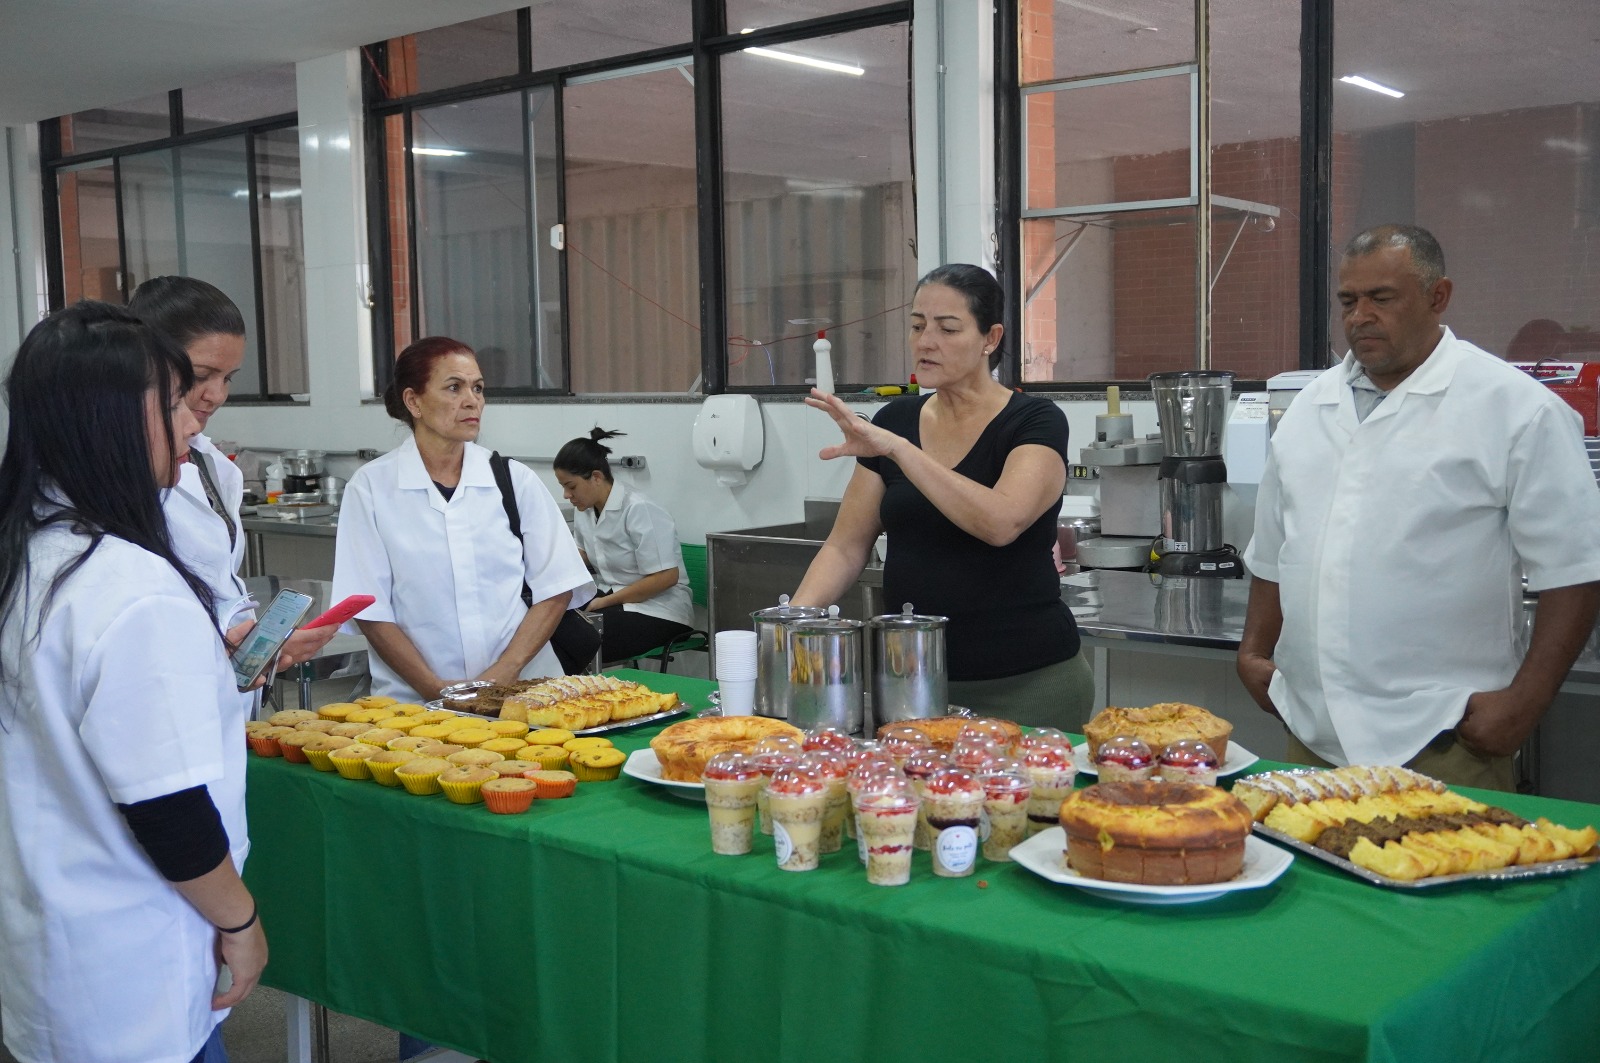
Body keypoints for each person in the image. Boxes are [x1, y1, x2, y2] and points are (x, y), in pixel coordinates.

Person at [1238, 224, 1600, 790]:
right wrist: (1254, 651)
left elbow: (1577, 572)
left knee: (1441, 874)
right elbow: (1274, 551)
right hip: (1311, 735)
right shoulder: (1309, 410)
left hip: (1443, 741)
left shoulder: (1516, 411)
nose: (1360, 316)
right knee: (1315, 880)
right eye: (1348, 301)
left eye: (1381, 298)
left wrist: (1524, 705)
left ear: (1438, 297)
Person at [0, 303, 266, 1063]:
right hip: (130, 964)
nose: (194, 422)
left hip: (52, 946)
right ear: (109, 419)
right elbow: (168, 808)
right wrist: (241, 921)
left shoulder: (30, 554)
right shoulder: (129, 587)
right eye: (179, 401)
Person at [791, 264, 1093, 729]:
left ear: (990, 338)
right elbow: (845, 546)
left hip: (1025, 683)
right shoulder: (897, 419)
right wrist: (789, 623)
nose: (925, 341)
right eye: (917, 326)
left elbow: (1000, 522)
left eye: (947, 328)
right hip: (912, 685)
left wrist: (899, 450)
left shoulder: (1034, 421)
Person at [332, 336, 594, 703]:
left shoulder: (512, 479)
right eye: (454, 388)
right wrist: (432, 688)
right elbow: (369, 608)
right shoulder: (373, 488)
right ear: (414, 401)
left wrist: (500, 677)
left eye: (478, 388)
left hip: (524, 693)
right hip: (415, 701)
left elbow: (556, 587)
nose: (472, 400)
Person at [128, 276, 337, 683]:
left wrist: (255, 645)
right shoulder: (113, 478)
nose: (217, 394)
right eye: (202, 374)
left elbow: (221, 590)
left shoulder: (213, 465)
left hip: (223, 687)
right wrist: (219, 649)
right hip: (163, 687)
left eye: (228, 377)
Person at [555, 428, 696, 662]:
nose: (567, 494)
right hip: (613, 600)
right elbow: (583, 554)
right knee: (551, 624)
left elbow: (666, 576)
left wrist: (605, 601)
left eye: (571, 486)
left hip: (660, 610)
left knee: (579, 638)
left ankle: (587, 696)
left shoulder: (639, 508)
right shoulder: (585, 510)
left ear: (596, 477)